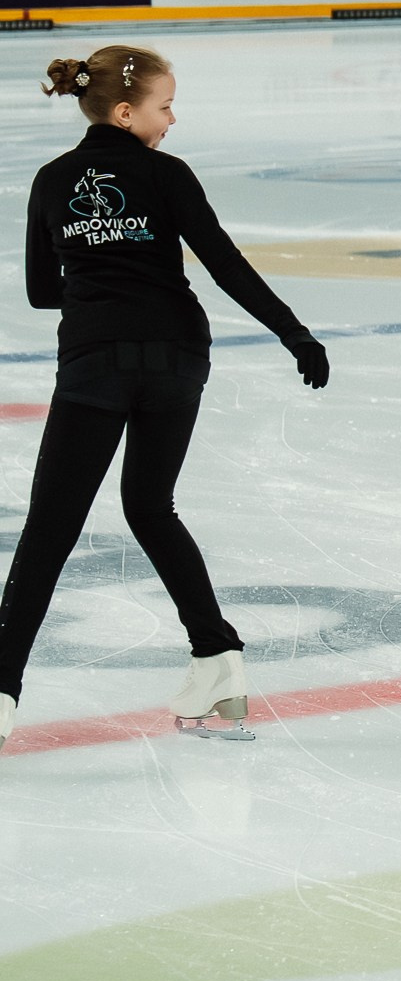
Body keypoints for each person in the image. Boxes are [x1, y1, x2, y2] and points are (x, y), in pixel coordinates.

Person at [0, 46, 329, 756]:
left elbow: (37, 288)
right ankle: (216, 660)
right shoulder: (165, 173)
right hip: (179, 356)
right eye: (164, 106)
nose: (172, 118)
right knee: (150, 506)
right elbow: (223, 261)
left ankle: (2, 688)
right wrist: (293, 333)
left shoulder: (52, 180)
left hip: (97, 362)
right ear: (126, 112)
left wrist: (97, 280)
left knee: (52, 527)